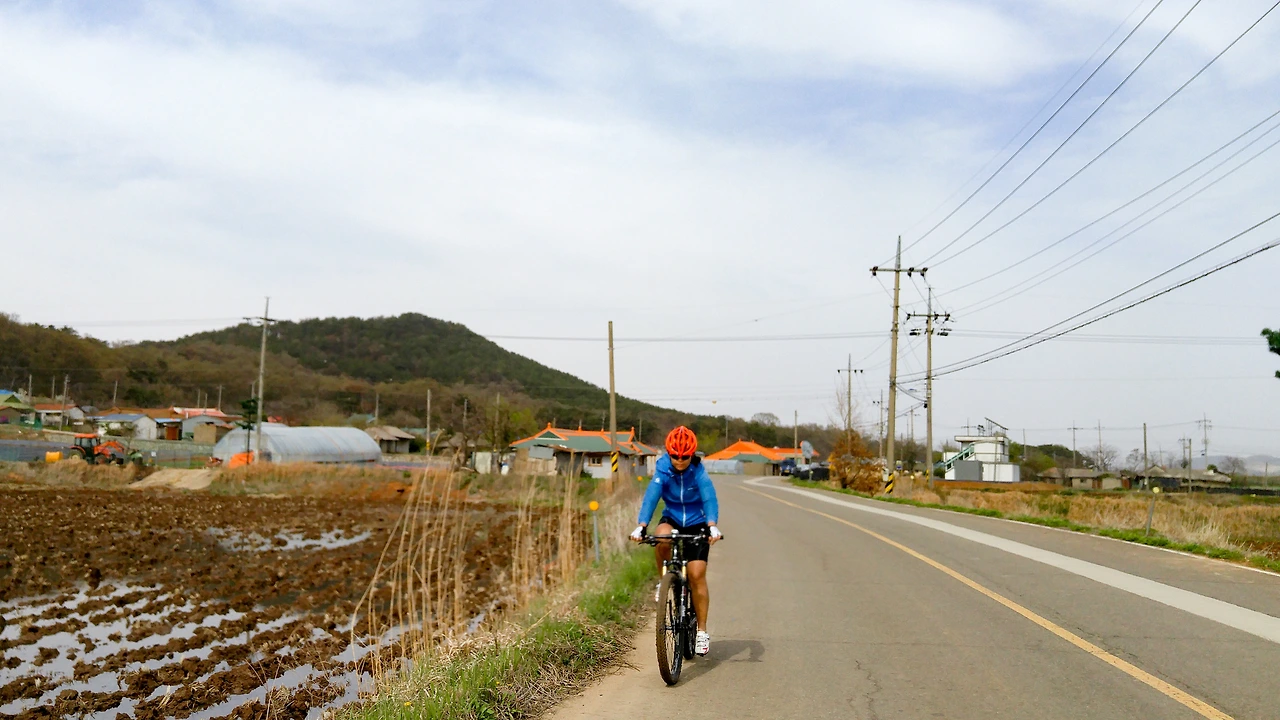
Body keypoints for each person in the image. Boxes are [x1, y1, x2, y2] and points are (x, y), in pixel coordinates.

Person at [630, 425, 721, 655]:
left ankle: (701, 631)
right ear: (669, 454)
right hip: (672, 518)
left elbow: (709, 498)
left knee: (696, 574)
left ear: (692, 455)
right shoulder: (663, 470)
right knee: (661, 536)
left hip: (697, 522)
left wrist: (712, 525)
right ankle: (664, 580)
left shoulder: (698, 472)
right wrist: (641, 525)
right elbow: (651, 497)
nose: (680, 461)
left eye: (685, 457)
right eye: (675, 456)